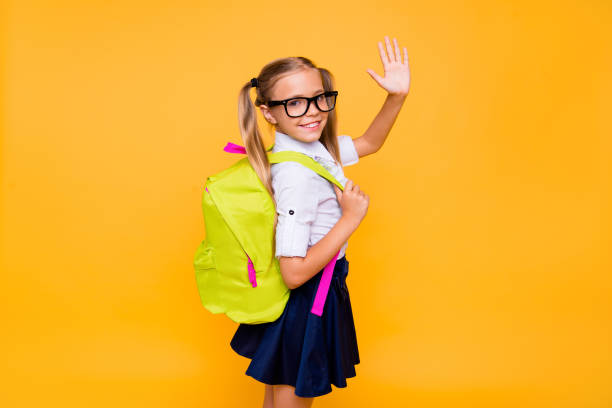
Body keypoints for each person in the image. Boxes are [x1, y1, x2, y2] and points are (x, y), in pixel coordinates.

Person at [229, 35, 410, 407]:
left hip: (314, 292)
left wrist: (396, 97)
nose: (312, 111)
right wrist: (350, 219)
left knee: (279, 397)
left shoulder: (313, 149)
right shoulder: (296, 176)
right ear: (268, 112)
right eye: (294, 103)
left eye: (318, 98)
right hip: (306, 295)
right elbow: (294, 272)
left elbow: (369, 142)